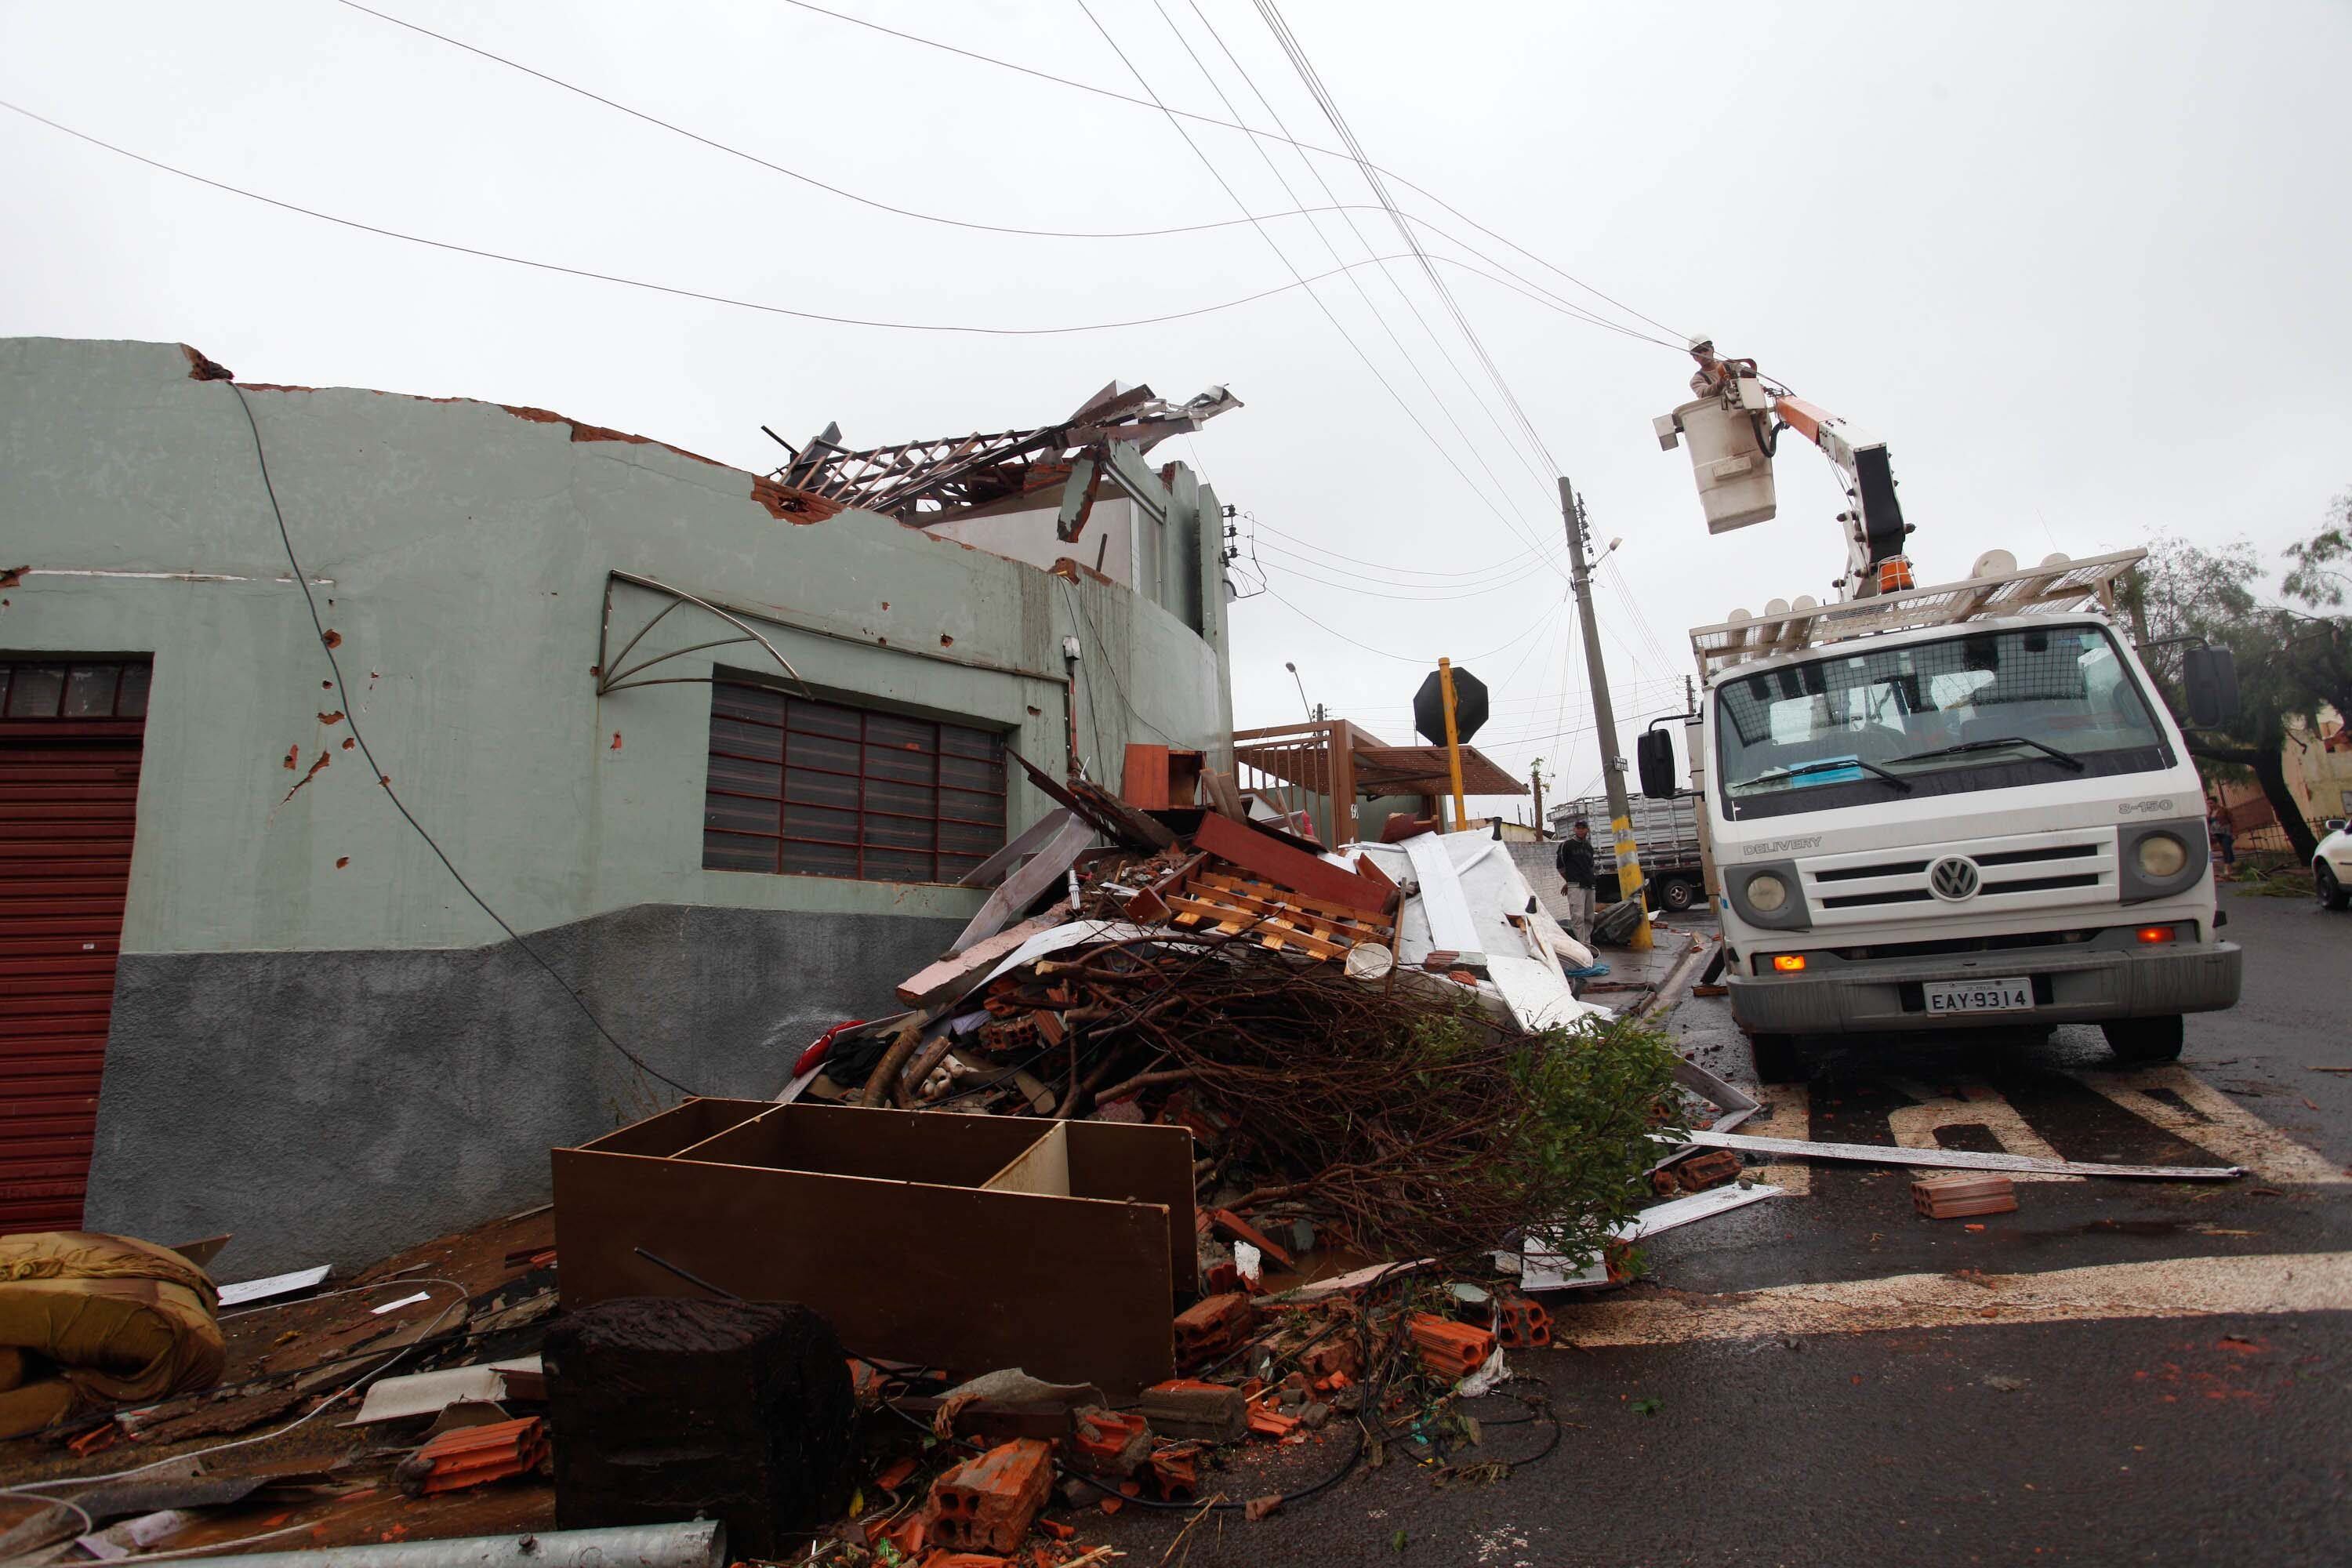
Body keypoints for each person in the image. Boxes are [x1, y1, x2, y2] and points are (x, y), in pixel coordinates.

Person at [1555, 819, 1598, 937]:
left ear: (1587, 830)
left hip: (1590, 885)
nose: (1580, 830)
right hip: (1576, 886)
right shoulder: (1567, 845)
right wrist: (1569, 882)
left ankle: (1587, 943)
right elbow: (1560, 867)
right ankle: (1581, 943)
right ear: (1574, 829)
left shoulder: (1589, 847)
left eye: (1583, 828)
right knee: (1578, 916)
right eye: (1578, 828)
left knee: (1589, 917)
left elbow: (1590, 867)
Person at [2208, 804, 2236, 880]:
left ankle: (2227, 869)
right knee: (2225, 849)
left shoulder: (2224, 810)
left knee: (2226, 848)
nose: (2210, 805)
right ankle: (2231, 866)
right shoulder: (2211, 812)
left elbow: (2232, 821)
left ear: (2215, 802)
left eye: (2211, 803)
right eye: (2208, 803)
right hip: (2216, 834)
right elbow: (2210, 823)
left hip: (2226, 832)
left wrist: (2234, 833)